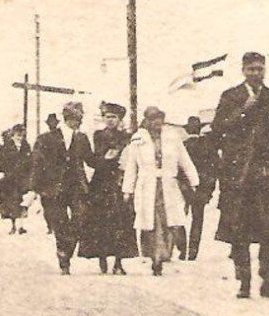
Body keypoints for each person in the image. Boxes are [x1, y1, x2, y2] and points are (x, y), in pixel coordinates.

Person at [213, 51, 269, 299]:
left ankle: (267, 280)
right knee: (239, 227)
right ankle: (244, 280)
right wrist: (243, 112)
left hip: (264, 172)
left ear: (265, 70)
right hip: (237, 174)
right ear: (243, 71)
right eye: (251, 69)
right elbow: (217, 129)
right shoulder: (231, 97)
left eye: (260, 69)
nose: (256, 74)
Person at [122, 106, 200, 277]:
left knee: (168, 222)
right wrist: (127, 189)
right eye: (153, 121)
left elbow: (184, 160)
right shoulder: (138, 140)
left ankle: (163, 255)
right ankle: (155, 259)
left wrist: (194, 180)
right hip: (147, 186)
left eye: (160, 121)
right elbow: (131, 167)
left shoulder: (172, 138)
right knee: (151, 223)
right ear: (147, 122)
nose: (157, 124)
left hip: (168, 186)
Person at [30, 101, 92, 275]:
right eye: (76, 118)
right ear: (67, 118)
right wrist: (34, 188)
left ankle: (66, 250)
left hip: (76, 187)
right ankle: (63, 258)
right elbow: (37, 163)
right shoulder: (46, 138)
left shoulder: (82, 138)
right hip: (53, 188)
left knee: (80, 218)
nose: (79, 121)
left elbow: (90, 160)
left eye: (80, 118)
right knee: (59, 223)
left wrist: (110, 159)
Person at [78, 103, 139, 275]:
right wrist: (106, 158)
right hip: (101, 182)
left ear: (120, 119)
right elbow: (96, 157)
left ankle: (119, 261)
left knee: (121, 221)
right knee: (100, 221)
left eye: (113, 117)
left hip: (119, 181)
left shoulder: (127, 137)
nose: (110, 120)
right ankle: (102, 257)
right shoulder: (99, 135)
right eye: (107, 116)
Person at [181, 116, 219, 261]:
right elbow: (215, 169)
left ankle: (182, 247)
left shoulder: (183, 146)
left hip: (184, 187)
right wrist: (210, 190)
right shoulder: (209, 146)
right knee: (197, 219)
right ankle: (192, 250)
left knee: (179, 218)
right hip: (201, 188)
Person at [0, 125, 32, 234]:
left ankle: (20, 226)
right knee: (12, 202)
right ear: (13, 134)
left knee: (21, 201)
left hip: (22, 178)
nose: (20, 136)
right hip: (10, 179)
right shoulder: (6, 147)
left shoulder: (26, 146)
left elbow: (30, 161)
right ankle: (14, 225)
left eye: (21, 134)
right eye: (17, 134)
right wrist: (1, 172)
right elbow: (1, 162)